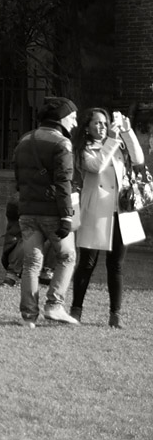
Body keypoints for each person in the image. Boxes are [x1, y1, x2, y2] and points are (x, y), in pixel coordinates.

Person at [70, 108, 143, 328]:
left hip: (122, 211)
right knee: (87, 263)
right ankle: (76, 310)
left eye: (105, 123)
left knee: (116, 265)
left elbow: (138, 158)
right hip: (96, 211)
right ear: (87, 127)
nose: (102, 127)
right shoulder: (83, 149)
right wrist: (111, 140)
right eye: (97, 124)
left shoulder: (118, 143)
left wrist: (128, 132)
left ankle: (115, 315)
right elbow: (96, 166)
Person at [13, 96, 79, 328]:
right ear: (60, 118)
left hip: (27, 212)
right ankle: (54, 305)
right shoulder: (62, 144)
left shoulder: (24, 140)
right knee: (67, 256)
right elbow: (64, 183)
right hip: (52, 212)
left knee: (31, 263)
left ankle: (28, 316)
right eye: (72, 117)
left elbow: (18, 179)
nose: (75, 123)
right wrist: (67, 216)